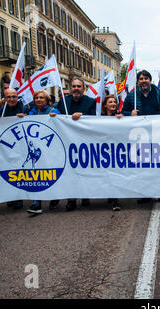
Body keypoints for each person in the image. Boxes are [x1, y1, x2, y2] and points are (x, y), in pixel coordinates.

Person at [122, 70, 160, 205]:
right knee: (143, 167)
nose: (143, 81)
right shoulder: (131, 97)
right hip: (139, 137)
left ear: (150, 80)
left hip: (157, 136)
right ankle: (145, 193)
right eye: (141, 79)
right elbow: (123, 112)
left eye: (146, 78)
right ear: (138, 82)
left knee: (159, 166)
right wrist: (129, 113)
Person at [16, 90, 60, 215]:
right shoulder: (31, 112)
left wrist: (56, 118)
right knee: (37, 172)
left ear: (47, 100)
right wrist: (22, 118)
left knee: (50, 172)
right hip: (36, 147)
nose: (39, 100)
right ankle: (36, 203)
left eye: (42, 97)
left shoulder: (53, 111)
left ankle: (54, 197)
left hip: (50, 148)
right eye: (37, 97)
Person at [56, 78, 96, 210]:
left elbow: (94, 119)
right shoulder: (63, 102)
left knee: (85, 169)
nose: (76, 89)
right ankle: (71, 199)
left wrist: (82, 116)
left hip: (84, 141)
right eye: (74, 86)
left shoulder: (91, 102)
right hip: (68, 142)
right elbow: (57, 114)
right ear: (70, 88)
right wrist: (52, 115)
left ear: (83, 89)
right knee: (70, 171)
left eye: (79, 86)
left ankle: (85, 195)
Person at [0, 88, 30, 210]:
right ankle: (10, 196)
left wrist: (25, 116)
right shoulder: (2, 110)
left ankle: (18, 197)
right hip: (7, 145)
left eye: (14, 96)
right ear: (5, 98)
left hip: (21, 145)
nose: (12, 99)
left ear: (18, 97)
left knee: (19, 171)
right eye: (9, 97)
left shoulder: (24, 108)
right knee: (8, 170)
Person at [102, 95, 122, 211]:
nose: (113, 104)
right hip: (102, 150)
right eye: (110, 102)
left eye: (115, 102)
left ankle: (115, 200)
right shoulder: (98, 117)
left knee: (114, 175)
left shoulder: (120, 116)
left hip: (115, 150)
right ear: (105, 105)